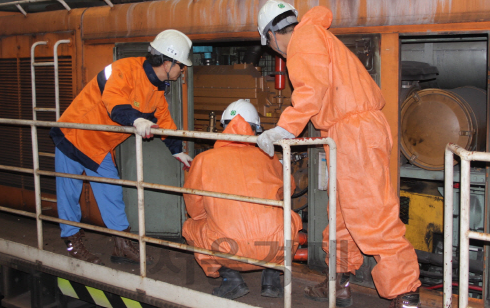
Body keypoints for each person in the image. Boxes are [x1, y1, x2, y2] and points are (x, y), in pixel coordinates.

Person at [256, 0, 421, 308]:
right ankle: (339, 282)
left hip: (354, 130)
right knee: (343, 212)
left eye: (271, 45)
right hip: (347, 131)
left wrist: (284, 129)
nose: (276, 52)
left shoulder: (303, 40)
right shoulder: (317, 37)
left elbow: (311, 89)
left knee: (371, 214)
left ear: (273, 34)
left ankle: (405, 293)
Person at [50, 29, 194, 265]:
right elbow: (114, 101)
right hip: (74, 135)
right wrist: (136, 120)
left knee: (113, 192)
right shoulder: (125, 69)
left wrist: (177, 149)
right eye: (181, 65)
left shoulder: (157, 88)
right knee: (69, 193)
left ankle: (121, 245)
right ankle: (72, 242)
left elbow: (164, 120)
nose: (182, 71)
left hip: (100, 144)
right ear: (168, 63)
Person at [182, 99, 302, 300]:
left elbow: (195, 209)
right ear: (256, 130)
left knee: (191, 226)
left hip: (226, 248)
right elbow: (286, 192)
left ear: (223, 127)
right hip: (272, 248)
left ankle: (231, 280)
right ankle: (271, 278)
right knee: (289, 218)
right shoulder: (270, 158)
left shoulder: (204, 160)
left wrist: (215, 216)